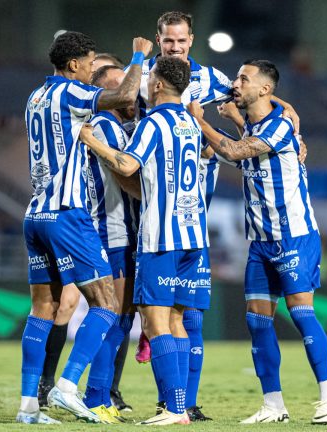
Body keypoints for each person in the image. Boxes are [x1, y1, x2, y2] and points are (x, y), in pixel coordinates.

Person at [132, 11, 304, 422]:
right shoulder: (140, 78)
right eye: (168, 41)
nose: (175, 47)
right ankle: (118, 395)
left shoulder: (210, 79)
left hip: (192, 216)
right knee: (138, 313)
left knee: (186, 315)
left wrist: (288, 110)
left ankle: (181, 404)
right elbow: (118, 99)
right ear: (158, 40)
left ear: (191, 40)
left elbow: (252, 95)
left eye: (181, 41)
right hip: (145, 208)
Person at [187, 59, 327, 424]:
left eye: (244, 78)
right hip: (259, 241)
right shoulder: (259, 123)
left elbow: (237, 152)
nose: (235, 83)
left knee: (302, 314)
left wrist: (200, 121)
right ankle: (273, 405)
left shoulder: (280, 126)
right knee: (257, 322)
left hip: (294, 236)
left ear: (264, 89)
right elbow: (242, 147)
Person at [16, 31, 152, 425]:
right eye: (91, 63)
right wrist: (138, 58)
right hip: (67, 213)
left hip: (35, 214)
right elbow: (124, 99)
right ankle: (68, 386)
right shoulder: (70, 93)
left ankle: (28, 407)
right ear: (73, 64)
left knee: (43, 308)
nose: (93, 71)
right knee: (107, 303)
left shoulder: (35, 96)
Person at [80, 55, 206, 426]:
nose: (145, 84)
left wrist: (94, 143)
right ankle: (179, 407)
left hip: (161, 236)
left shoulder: (156, 121)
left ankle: (173, 408)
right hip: (193, 235)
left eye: (150, 77)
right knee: (177, 320)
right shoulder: (191, 122)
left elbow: (126, 166)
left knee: (154, 323)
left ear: (160, 85)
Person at [77, 64, 141, 423]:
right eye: (120, 85)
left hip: (120, 231)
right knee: (112, 317)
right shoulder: (105, 126)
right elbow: (126, 175)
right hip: (110, 231)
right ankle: (94, 396)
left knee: (120, 318)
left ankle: (99, 396)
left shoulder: (115, 127)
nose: (130, 90)